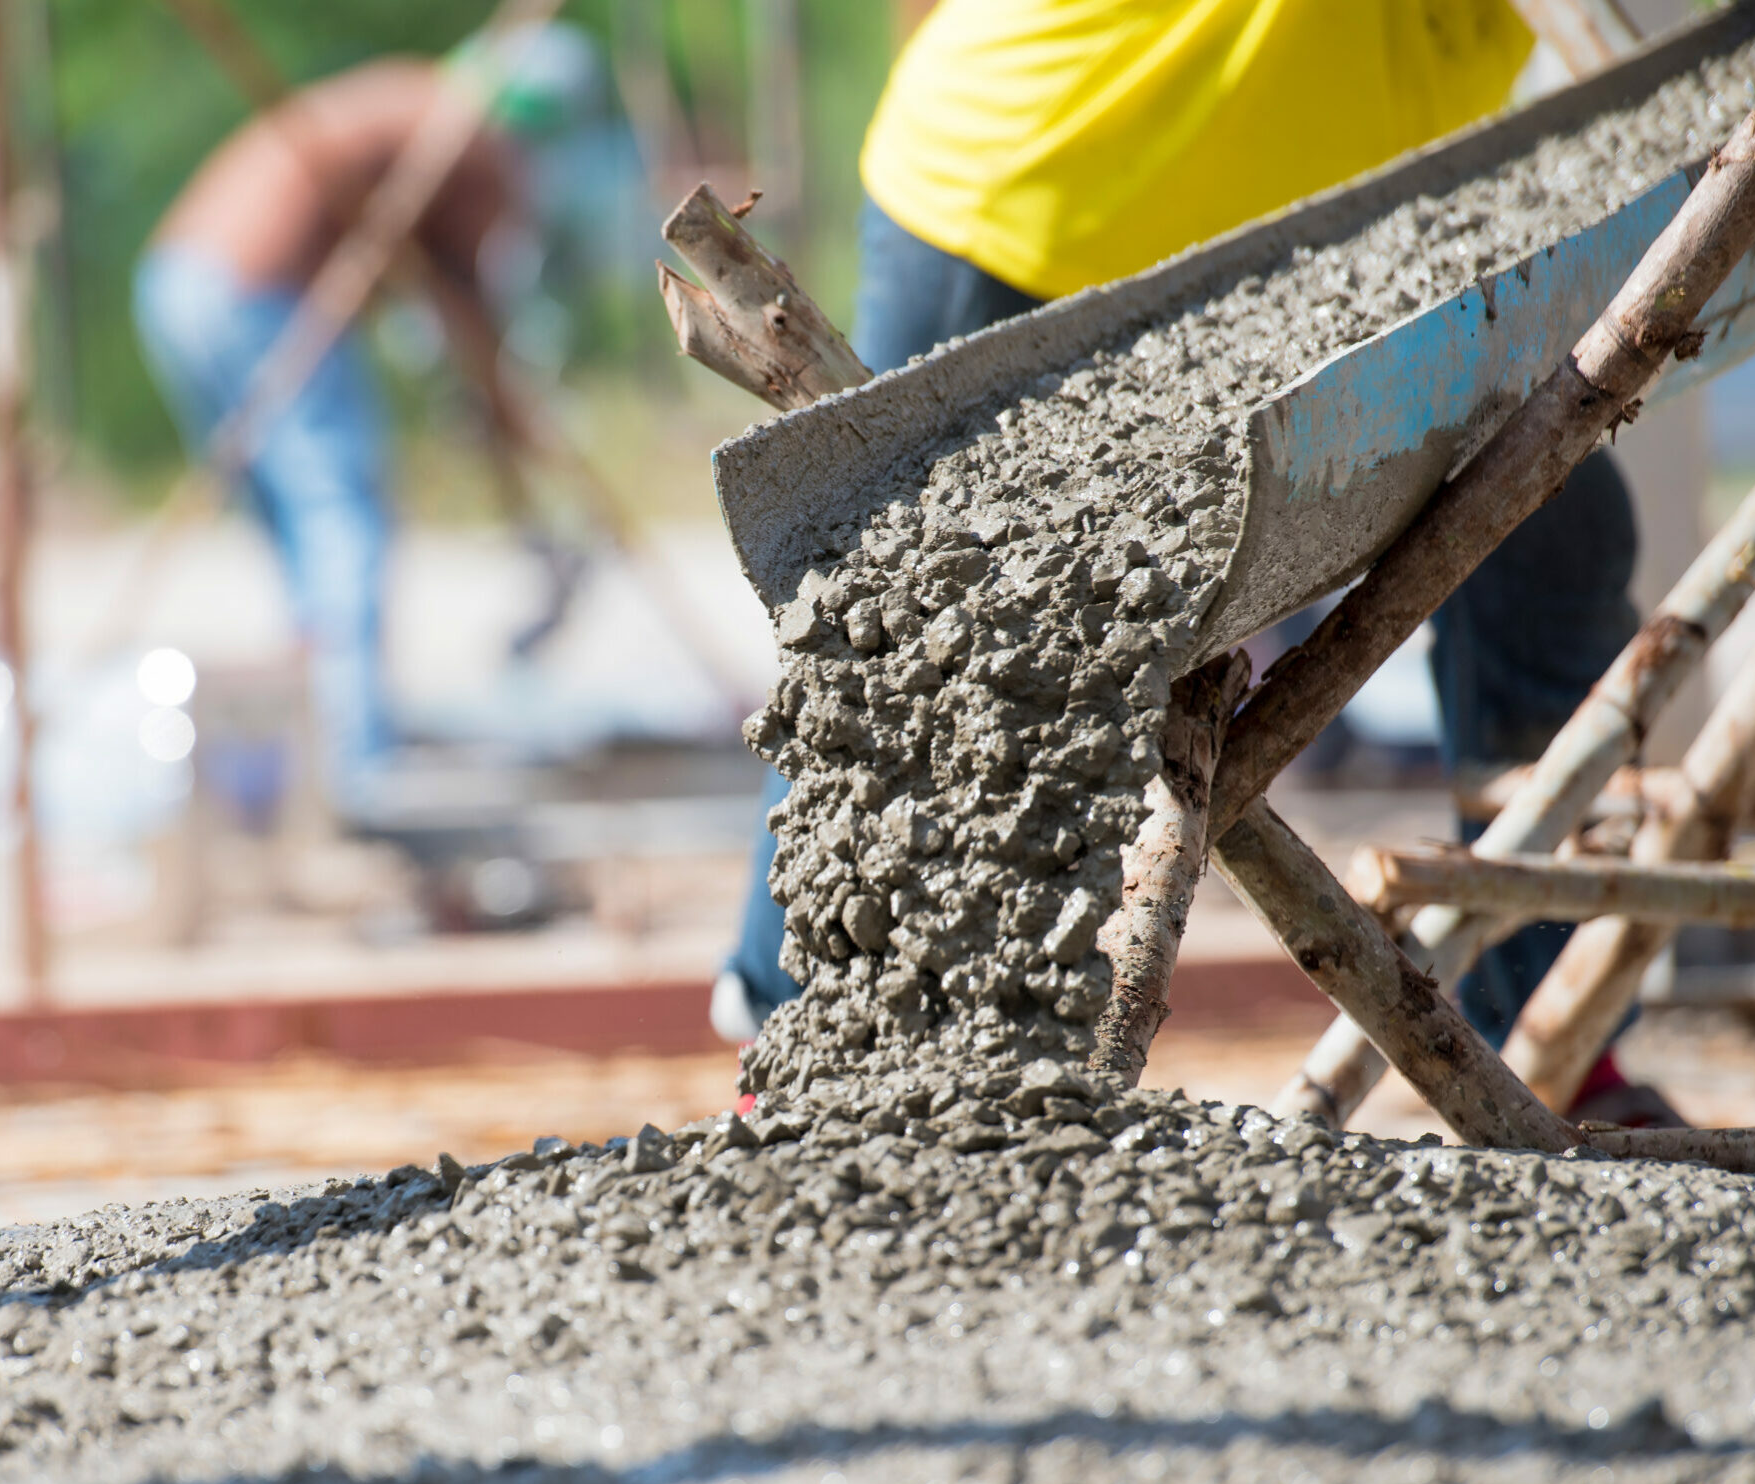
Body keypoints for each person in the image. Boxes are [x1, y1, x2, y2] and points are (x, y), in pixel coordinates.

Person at [708, 0, 1672, 1124]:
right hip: (1037, 192)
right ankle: (807, 1059)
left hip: (1329, 234)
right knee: (921, 616)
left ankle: (1558, 1036)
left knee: (1553, 530)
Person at [134, 59, 520, 819]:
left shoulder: (408, 106)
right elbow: (468, 298)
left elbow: (439, 285)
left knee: (294, 530)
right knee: (341, 511)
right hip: (255, 289)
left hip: (175, 283)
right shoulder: (472, 141)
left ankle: (317, 735)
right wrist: (502, 411)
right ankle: (355, 758)